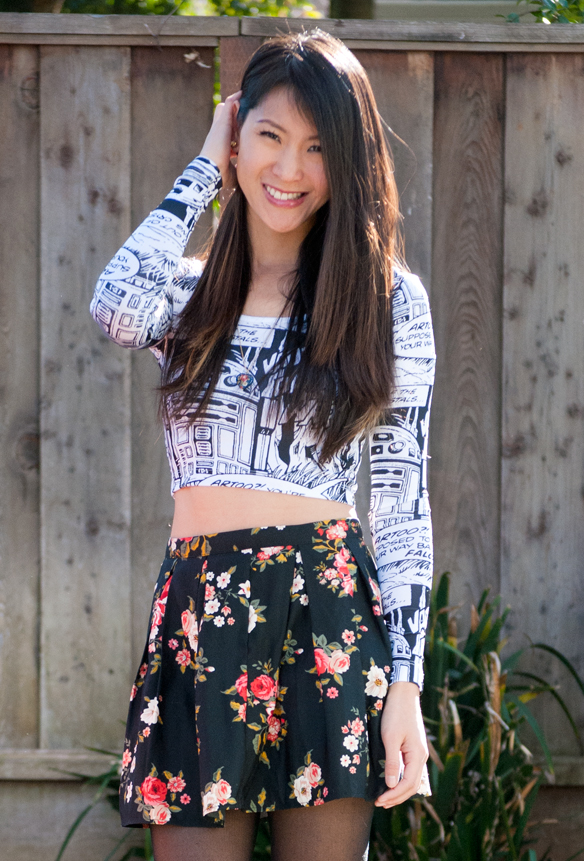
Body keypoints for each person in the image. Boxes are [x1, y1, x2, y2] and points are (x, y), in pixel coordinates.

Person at [90, 29, 435, 861]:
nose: (288, 170)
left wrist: (407, 684)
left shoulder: (387, 302)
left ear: (346, 165)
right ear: (237, 134)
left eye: (318, 148)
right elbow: (113, 305)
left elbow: (399, 498)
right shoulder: (180, 296)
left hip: (327, 613)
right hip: (199, 610)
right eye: (269, 137)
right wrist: (206, 166)